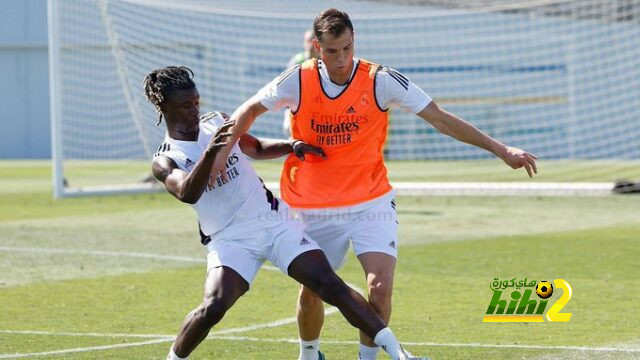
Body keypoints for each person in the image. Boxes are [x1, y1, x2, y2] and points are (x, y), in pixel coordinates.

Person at [214, 8, 538, 360]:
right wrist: (219, 157)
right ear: (317, 49)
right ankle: (310, 354)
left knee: (379, 289)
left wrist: (501, 149)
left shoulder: (381, 79)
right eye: (333, 51)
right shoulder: (297, 79)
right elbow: (246, 112)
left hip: (371, 202)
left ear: (355, 42)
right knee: (312, 291)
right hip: (309, 204)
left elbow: (440, 119)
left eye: (347, 49)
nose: (341, 59)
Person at [143, 66, 427, 360]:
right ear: (164, 106)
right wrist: (212, 153)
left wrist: (291, 146)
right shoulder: (165, 158)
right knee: (213, 306)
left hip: (274, 223)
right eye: (186, 105)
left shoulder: (216, 122)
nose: (194, 109)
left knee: (328, 283)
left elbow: (255, 147)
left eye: (196, 101)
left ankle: (399, 354)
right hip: (230, 240)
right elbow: (188, 192)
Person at [283, 29, 319, 137]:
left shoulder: (324, 61)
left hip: (316, 108)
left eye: (313, 41)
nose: (310, 44)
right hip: (296, 105)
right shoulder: (297, 60)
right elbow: (286, 84)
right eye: (308, 41)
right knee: (289, 129)